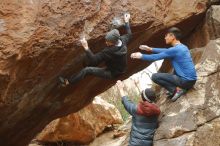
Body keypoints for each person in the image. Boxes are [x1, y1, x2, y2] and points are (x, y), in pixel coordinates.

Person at [59, 13, 132, 86]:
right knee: (91, 63)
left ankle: (67, 82)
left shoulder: (108, 51)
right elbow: (129, 34)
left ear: (113, 42)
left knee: (87, 70)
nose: (106, 42)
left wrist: (86, 47)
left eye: (108, 42)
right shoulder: (123, 40)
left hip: (111, 73)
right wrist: (126, 21)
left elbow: (94, 60)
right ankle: (86, 66)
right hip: (120, 68)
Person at [130, 27, 197, 101]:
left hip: (185, 81)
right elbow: (166, 50)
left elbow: (154, 57)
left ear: (172, 37)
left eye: (166, 36)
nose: (165, 38)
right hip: (192, 80)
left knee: (155, 76)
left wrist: (140, 56)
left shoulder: (175, 49)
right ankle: (177, 88)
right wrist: (150, 49)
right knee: (173, 72)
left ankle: (176, 91)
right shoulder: (182, 47)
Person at [116, 80, 160, 146]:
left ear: (143, 98)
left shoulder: (137, 109)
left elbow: (126, 102)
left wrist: (121, 89)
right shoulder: (156, 110)